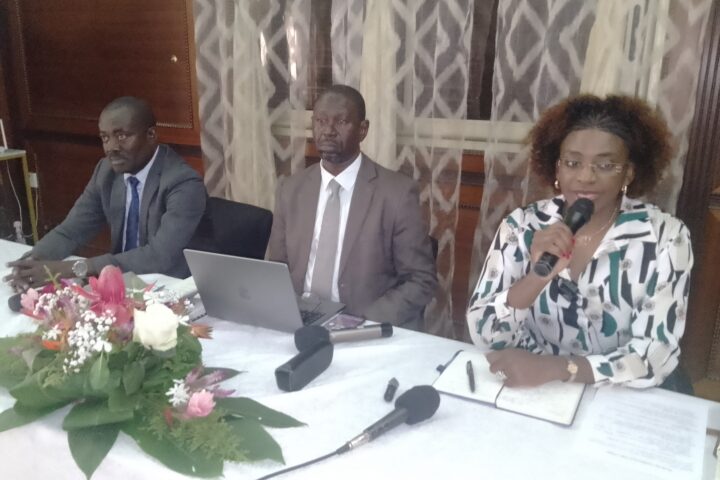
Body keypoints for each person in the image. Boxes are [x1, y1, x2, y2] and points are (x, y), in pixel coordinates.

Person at [466, 94, 693, 390]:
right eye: (573, 163)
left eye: (606, 165)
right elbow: (484, 333)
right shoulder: (521, 226)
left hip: (619, 393)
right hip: (536, 390)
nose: (586, 177)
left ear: (628, 173)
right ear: (557, 169)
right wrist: (537, 277)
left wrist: (559, 368)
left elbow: (655, 355)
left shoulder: (665, 237)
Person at [268, 85, 437, 328]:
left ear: (362, 130)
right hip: (298, 320)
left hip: (361, 324)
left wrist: (363, 322)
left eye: (341, 122)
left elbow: (420, 279)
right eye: (321, 121)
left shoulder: (396, 194)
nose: (328, 131)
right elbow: (277, 268)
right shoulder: (291, 189)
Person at [4, 96, 207, 291]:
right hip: (120, 282)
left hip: (171, 286)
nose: (111, 148)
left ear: (151, 135)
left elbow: (159, 257)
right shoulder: (107, 172)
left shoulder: (183, 182)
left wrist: (73, 268)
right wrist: (31, 262)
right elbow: (72, 230)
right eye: (105, 137)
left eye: (122, 136)